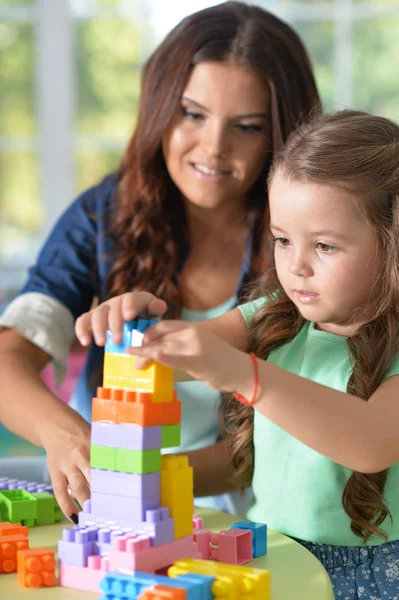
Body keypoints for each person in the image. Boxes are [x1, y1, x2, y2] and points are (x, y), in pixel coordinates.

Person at [0, 1, 320, 521]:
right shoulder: (104, 214)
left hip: (259, 513)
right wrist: (66, 436)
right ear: (160, 106)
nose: (213, 148)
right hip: (104, 503)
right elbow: (8, 360)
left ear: (281, 133)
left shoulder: (307, 241)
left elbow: (298, 427)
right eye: (192, 114)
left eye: (247, 126)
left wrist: (141, 479)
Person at [77, 110, 399, 599]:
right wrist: (133, 330)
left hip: (369, 577)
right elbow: (182, 355)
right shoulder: (275, 315)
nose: (297, 267)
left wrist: (248, 377)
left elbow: (371, 443)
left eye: (326, 247)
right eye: (283, 241)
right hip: (268, 553)